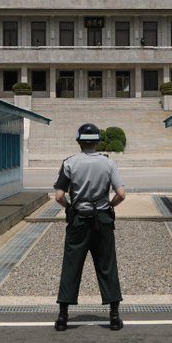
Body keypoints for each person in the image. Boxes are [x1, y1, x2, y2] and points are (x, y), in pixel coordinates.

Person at [53, 123, 126, 331]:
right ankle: (113, 315)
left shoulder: (69, 163)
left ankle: (63, 316)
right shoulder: (108, 163)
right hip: (102, 219)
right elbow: (121, 194)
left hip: (78, 219)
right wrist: (109, 206)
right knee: (107, 266)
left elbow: (59, 196)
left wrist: (70, 208)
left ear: (79, 141)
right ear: (97, 141)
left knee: (71, 265)